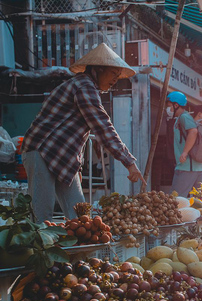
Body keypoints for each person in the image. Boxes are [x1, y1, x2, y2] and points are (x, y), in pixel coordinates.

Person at [22, 43, 146, 222]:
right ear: (99, 69)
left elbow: (75, 134)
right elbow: (103, 128)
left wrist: (77, 166)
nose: (115, 80)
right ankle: (38, 249)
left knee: (81, 216)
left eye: (118, 76)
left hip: (62, 156)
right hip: (41, 150)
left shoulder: (87, 87)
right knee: (41, 216)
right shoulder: (84, 86)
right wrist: (129, 162)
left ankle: (82, 249)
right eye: (113, 74)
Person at [167, 92, 202, 197]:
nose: (168, 109)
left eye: (169, 106)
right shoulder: (182, 118)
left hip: (187, 167)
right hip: (197, 167)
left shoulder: (184, 117)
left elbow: (193, 132)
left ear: (176, 105)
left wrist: (184, 152)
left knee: (175, 200)